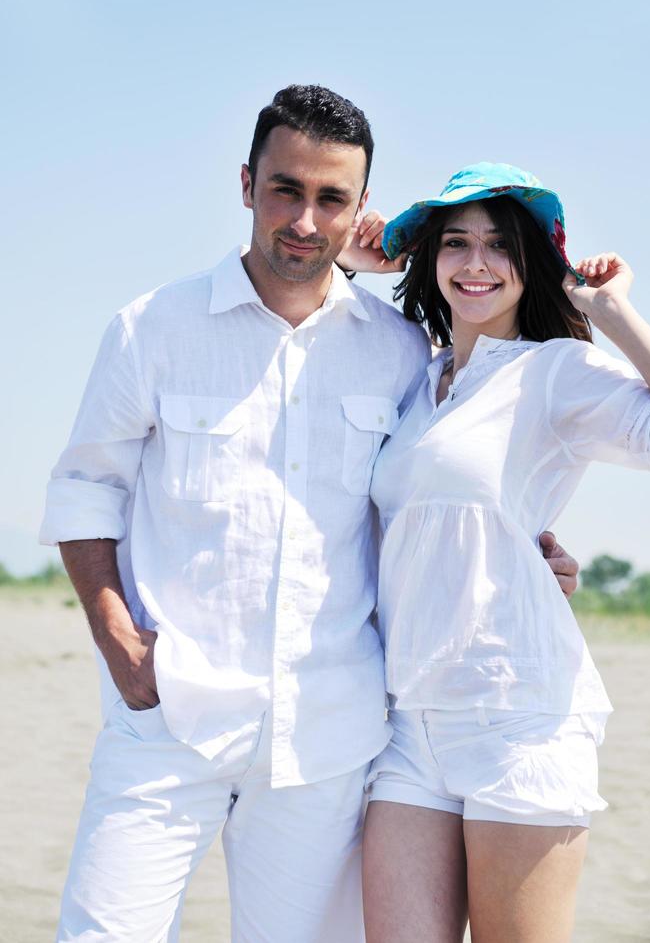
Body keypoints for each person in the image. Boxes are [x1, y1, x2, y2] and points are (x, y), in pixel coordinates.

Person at [40, 92, 577, 943]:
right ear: (246, 183)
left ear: (360, 209)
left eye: (332, 199)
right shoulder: (153, 328)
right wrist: (116, 638)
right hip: (165, 716)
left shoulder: (399, 348)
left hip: (326, 741)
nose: (304, 218)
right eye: (286, 190)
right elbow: (84, 488)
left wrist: (527, 551)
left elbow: (434, 484)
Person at [360, 163, 650, 943]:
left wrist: (614, 313)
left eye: (500, 244)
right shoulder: (415, 381)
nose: (477, 263)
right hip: (406, 722)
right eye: (455, 244)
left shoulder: (556, 371)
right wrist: (361, 257)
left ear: (533, 261)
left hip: (518, 715)